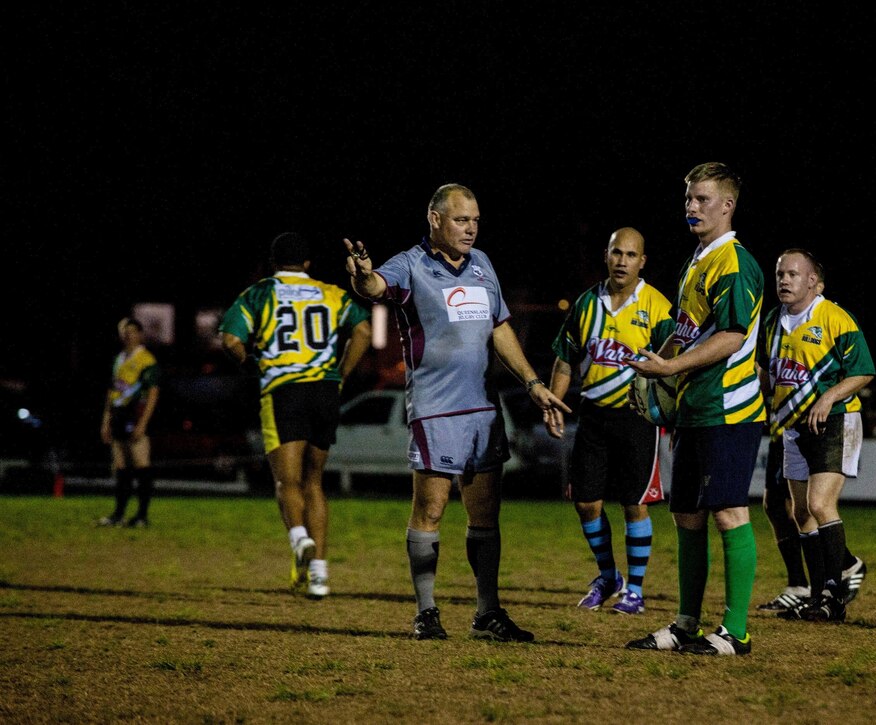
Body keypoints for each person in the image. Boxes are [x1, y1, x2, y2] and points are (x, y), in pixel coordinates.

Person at [343, 183, 570, 642]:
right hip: (435, 409)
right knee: (430, 510)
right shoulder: (409, 264)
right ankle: (426, 611)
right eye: (461, 220)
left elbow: (500, 329)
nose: (470, 229)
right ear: (434, 218)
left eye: (475, 221)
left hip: (484, 410)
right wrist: (362, 276)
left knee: (485, 516)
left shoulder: (482, 264)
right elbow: (375, 286)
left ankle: (488, 612)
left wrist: (533, 384)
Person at [625, 162, 765, 656]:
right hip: (692, 408)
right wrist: (658, 360)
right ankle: (687, 623)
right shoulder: (697, 261)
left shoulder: (735, 263)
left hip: (727, 409)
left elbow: (731, 335)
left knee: (728, 512)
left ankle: (736, 630)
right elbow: (688, 330)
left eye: (702, 199)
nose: (691, 207)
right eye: (688, 199)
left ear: (727, 205)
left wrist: (669, 368)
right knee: (685, 513)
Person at [219, 232, 371, 600]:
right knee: (315, 482)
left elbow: (229, 339)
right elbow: (364, 330)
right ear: (307, 264)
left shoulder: (259, 293)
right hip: (323, 390)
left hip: (284, 389)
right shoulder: (330, 292)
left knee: (287, 482)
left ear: (273, 263)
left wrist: (251, 364)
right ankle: (319, 575)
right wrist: (342, 375)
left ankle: (299, 538)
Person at [544, 227, 675, 615]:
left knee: (634, 503)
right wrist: (554, 401)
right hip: (593, 416)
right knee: (585, 502)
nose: (622, 261)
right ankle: (608, 576)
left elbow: (675, 364)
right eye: (617, 253)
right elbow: (566, 358)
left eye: (631, 255)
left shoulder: (657, 307)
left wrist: (671, 409)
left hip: (637, 418)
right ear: (606, 255)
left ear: (642, 261)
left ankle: (634, 590)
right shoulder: (586, 303)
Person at [758, 249, 875, 622]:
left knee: (822, 506)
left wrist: (828, 397)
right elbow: (769, 373)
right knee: (801, 513)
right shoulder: (773, 322)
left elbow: (863, 372)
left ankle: (833, 597)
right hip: (792, 426)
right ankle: (816, 596)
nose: (784, 280)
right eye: (779, 274)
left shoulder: (834, 318)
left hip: (836, 421)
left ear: (812, 280)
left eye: (792, 274)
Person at [96, 317, 161, 528]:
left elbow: (152, 393)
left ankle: (142, 516)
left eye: (132, 331)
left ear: (140, 334)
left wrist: (143, 423)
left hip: (135, 416)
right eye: (125, 331)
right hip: (118, 415)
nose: (128, 335)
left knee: (142, 465)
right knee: (121, 467)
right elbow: (112, 391)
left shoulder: (147, 360)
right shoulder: (119, 359)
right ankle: (119, 514)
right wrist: (106, 420)